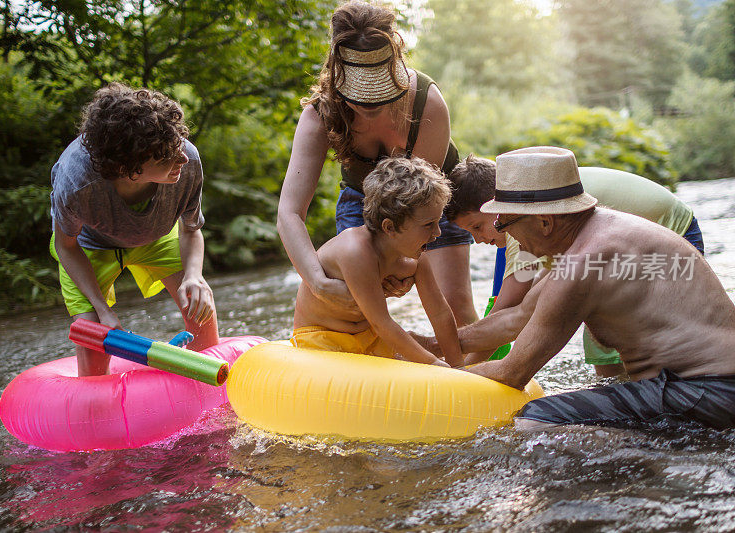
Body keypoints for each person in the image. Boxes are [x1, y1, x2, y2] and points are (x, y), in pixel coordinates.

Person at [448, 146, 735, 430]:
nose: (503, 231)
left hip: (708, 393)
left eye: (505, 221)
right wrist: (433, 344)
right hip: (708, 387)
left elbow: (513, 372)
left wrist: (445, 375)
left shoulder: (581, 264)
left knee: (535, 419)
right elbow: (519, 316)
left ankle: (646, 464)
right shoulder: (598, 235)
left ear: (545, 222)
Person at [277, 0, 478, 332]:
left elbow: (421, 204)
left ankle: (477, 374)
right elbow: (289, 212)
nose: (368, 104)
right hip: (364, 203)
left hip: (434, 201)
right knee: (355, 312)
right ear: (338, 77)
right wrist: (317, 282)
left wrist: (408, 265)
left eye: (379, 95)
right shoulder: (319, 114)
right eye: (358, 95)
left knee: (454, 305)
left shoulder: (427, 101)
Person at [443, 155, 706, 376]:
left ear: (495, 206)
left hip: (673, 232)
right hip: (649, 232)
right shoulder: (530, 205)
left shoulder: (518, 219)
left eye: (477, 227)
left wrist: (460, 370)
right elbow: (520, 312)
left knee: (620, 335)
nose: (478, 240)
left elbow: (511, 312)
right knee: (602, 340)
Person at [50, 83, 217, 376]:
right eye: (167, 157)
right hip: (90, 245)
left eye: (178, 146)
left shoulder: (187, 161)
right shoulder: (77, 184)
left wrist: (194, 275)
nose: (184, 159)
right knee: (94, 333)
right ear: (131, 171)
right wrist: (102, 309)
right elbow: (66, 245)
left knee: (201, 306)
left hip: (157, 234)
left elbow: (190, 229)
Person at [292, 157, 462, 368]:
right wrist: (435, 364)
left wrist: (457, 367)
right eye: (429, 225)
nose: (437, 233)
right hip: (321, 338)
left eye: (438, 222)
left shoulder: (416, 258)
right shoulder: (356, 251)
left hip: (370, 337)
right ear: (389, 227)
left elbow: (440, 313)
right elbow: (381, 323)